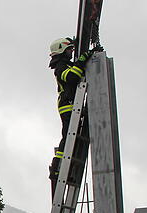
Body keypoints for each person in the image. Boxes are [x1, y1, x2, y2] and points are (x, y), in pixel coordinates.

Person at [48, 37, 99, 192]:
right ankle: (57, 168)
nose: (72, 52)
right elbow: (72, 77)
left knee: (72, 136)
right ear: (62, 51)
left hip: (71, 105)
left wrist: (76, 43)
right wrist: (83, 59)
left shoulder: (65, 64)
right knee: (68, 135)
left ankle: (66, 168)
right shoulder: (60, 67)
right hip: (67, 106)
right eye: (69, 49)